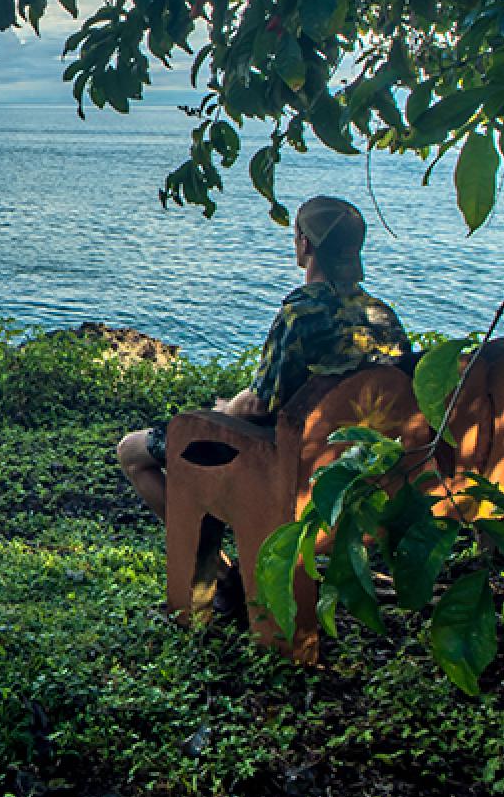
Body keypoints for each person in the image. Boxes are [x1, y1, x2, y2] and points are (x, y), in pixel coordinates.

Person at [116, 195, 409, 588]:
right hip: (357, 475)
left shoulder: (302, 312)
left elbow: (257, 405)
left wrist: (224, 410)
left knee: (133, 451)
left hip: (283, 473)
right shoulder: (382, 316)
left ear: (304, 244)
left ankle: (222, 574)